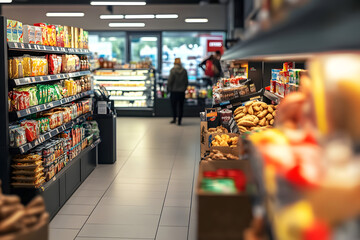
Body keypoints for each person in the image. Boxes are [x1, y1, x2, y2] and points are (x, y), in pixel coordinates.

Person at [168, 58, 189, 126]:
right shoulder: (184, 71)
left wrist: (169, 88)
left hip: (174, 91)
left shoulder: (172, 70)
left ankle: (174, 119)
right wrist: (184, 88)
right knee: (181, 106)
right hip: (181, 91)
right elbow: (186, 81)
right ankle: (179, 120)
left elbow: (170, 81)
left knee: (173, 106)